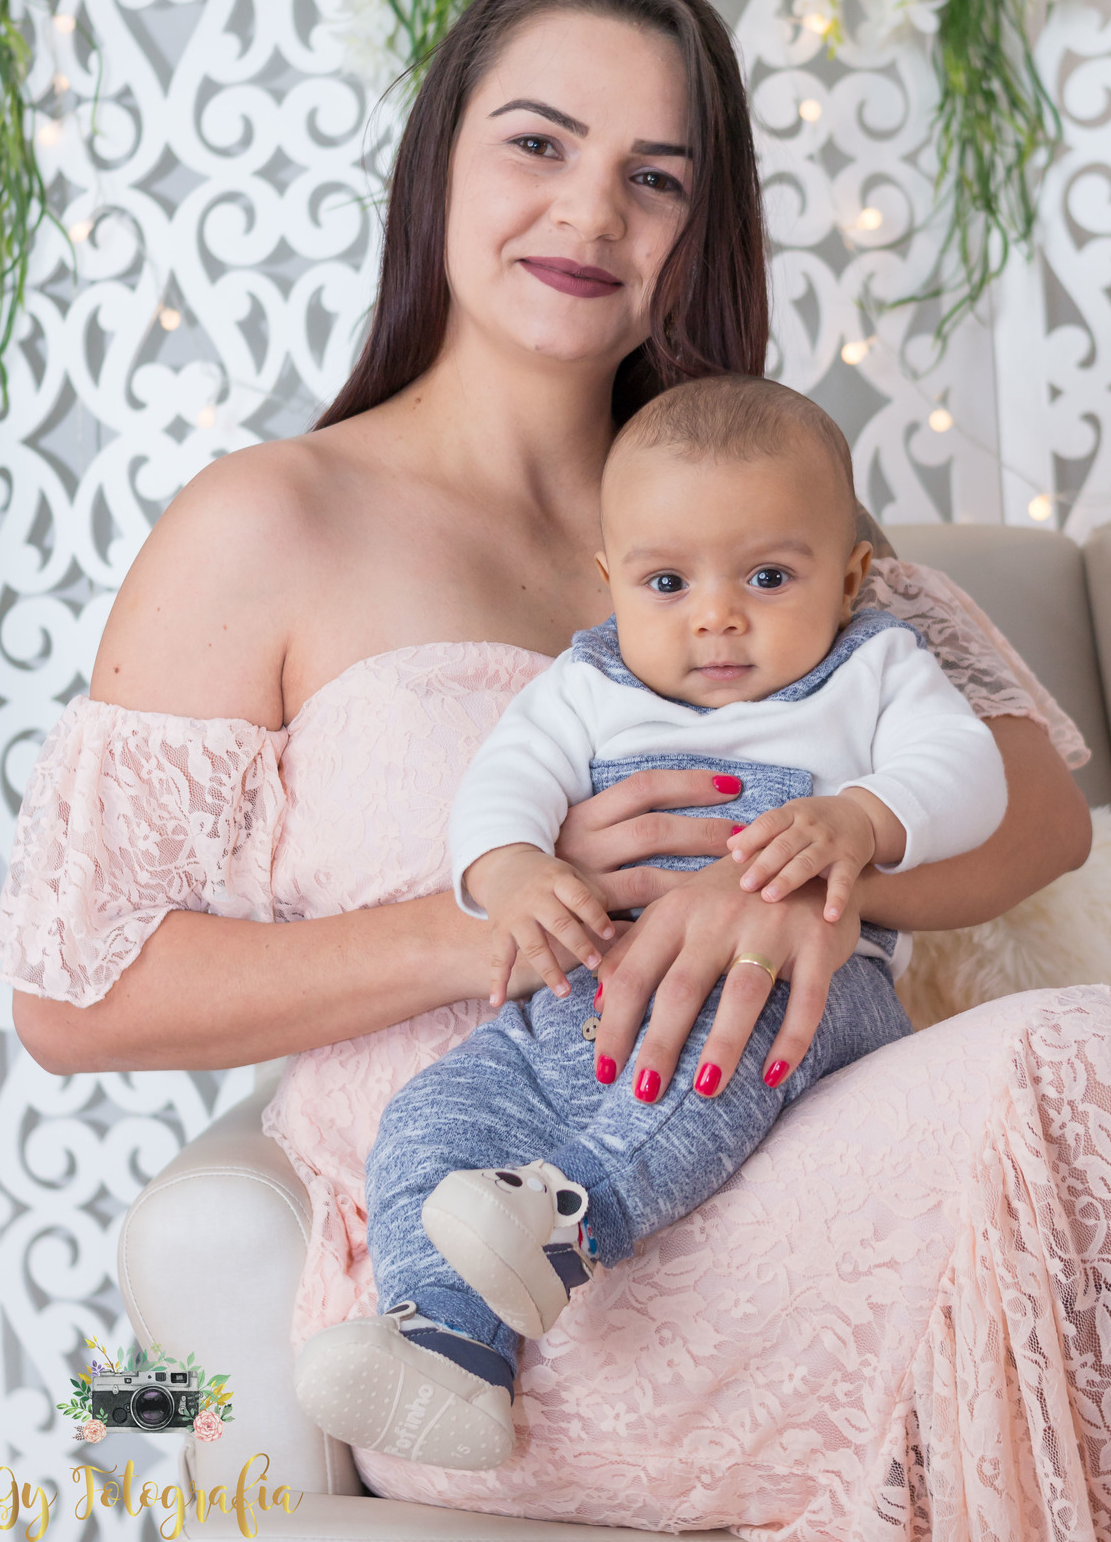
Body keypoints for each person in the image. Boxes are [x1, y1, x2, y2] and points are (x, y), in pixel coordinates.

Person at [0, 0, 1111, 1531]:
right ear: (442, 163)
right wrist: (485, 914)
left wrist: (794, 880)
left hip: (810, 1147)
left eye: (656, 177)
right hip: (521, 1294)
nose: (590, 214)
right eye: (539, 144)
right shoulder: (271, 522)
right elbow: (78, 993)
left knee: (1096, 1064)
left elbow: (1033, 814)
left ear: (701, 229)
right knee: (1081, 1064)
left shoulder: (745, 500)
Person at [294, 376, 1009, 1470]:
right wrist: (518, 869)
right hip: (588, 992)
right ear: (610, 581)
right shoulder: (589, 684)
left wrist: (863, 818)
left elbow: (971, 779)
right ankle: (447, 1345)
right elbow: (502, 787)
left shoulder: (873, 668)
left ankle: (574, 1216)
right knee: (437, 1112)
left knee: (725, 1056)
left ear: (851, 577)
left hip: (809, 996)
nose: (716, 615)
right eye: (668, 581)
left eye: (769, 576)